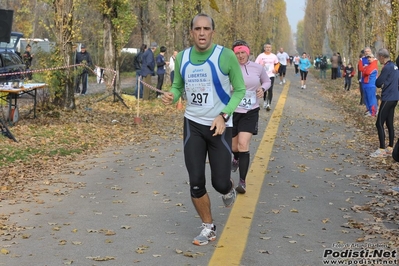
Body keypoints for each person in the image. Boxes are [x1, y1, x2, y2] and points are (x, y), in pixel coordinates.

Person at [161, 13, 246, 246]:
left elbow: (239, 90)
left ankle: (227, 188)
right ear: (191, 32)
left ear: (212, 32)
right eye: (197, 29)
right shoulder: (183, 58)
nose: (201, 33)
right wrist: (173, 95)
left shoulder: (225, 56)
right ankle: (208, 227)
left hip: (219, 126)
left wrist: (224, 115)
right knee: (196, 181)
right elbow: (178, 86)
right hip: (193, 125)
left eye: (206, 29)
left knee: (219, 183)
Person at [230, 40, 271, 193]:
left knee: (243, 144)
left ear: (248, 52)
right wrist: (230, 87)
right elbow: (222, 85)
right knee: (234, 147)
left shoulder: (257, 68)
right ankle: (236, 158)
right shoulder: (229, 68)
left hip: (250, 111)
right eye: (237, 53)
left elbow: (267, 81)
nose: (240, 56)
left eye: (242, 52)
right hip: (233, 110)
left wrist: (262, 88)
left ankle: (242, 182)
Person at [370, 48, 399, 157]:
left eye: (378, 57)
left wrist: (381, 82)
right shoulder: (395, 67)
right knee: (389, 123)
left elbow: (378, 83)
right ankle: (390, 147)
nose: (378, 60)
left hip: (388, 98)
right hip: (395, 98)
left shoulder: (387, 67)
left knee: (379, 123)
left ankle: (382, 149)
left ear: (382, 57)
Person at [254, 43, 279, 111]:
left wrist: (275, 69)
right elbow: (256, 64)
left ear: (271, 48)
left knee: (270, 89)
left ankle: (269, 104)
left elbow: (277, 63)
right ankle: (265, 101)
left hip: (271, 75)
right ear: (264, 48)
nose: (268, 48)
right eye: (267, 47)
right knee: (264, 89)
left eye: (269, 47)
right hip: (263, 75)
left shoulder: (274, 56)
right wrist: (261, 66)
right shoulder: (261, 56)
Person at [359, 52, 378, 116]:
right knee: (366, 98)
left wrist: (364, 69)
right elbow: (361, 69)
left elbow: (367, 72)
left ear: (373, 58)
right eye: (368, 57)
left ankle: (373, 112)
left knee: (371, 98)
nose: (369, 59)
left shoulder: (373, 64)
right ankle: (369, 110)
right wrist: (364, 69)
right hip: (366, 84)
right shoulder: (369, 65)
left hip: (371, 84)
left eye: (370, 57)